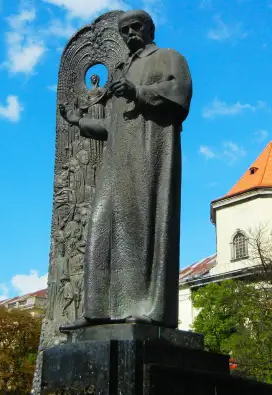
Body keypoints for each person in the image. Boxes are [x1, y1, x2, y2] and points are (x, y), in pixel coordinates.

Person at [58, 9, 192, 330]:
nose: (131, 34)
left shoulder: (168, 57)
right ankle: (96, 310)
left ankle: (151, 309)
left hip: (147, 158)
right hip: (117, 164)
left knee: (144, 230)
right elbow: (113, 125)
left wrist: (138, 92)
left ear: (148, 29)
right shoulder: (123, 69)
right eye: (125, 31)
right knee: (99, 225)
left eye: (136, 27)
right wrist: (79, 121)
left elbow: (179, 96)